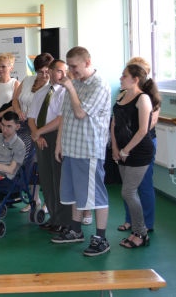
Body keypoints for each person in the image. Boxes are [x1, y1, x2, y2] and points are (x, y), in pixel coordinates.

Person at [51, 46, 112, 257]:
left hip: (89, 149)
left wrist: (69, 87)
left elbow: (79, 113)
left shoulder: (99, 84)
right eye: (69, 66)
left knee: (97, 195)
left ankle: (101, 238)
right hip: (71, 148)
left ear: (87, 62)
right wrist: (59, 144)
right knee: (75, 193)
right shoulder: (75, 83)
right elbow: (65, 116)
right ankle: (75, 230)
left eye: (74, 66)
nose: (71, 71)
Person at [110, 64, 160, 249]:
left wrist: (126, 150)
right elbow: (114, 124)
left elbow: (142, 130)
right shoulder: (122, 96)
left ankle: (141, 233)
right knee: (128, 192)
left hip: (139, 152)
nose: (121, 78)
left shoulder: (143, 98)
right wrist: (115, 147)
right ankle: (135, 231)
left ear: (135, 79)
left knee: (128, 192)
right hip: (123, 151)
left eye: (124, 76)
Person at [28, 59, 70, 234]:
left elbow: (60, 120)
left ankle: (64, 220)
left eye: (65, 71)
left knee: (59, 180)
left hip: (56, 137)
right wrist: (37, 134)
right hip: (40, 138)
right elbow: (31, 118)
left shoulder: (65, 92)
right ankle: (53, 217)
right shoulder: (40, 92)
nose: (63, 75)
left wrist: (38, 132)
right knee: (46, 180)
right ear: (51, 71)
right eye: (59, 71)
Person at [12, 53, 53, 213]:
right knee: (26, 163)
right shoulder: (28, 80)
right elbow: (15, 100)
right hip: (23, 126)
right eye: (40, 72)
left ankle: (48, 202)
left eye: (47, 71)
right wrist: (18, 112)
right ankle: (33, 200)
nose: (44, 75)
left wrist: (39, 132)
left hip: (41, 128)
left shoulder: (52, 85)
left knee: (40, 165)